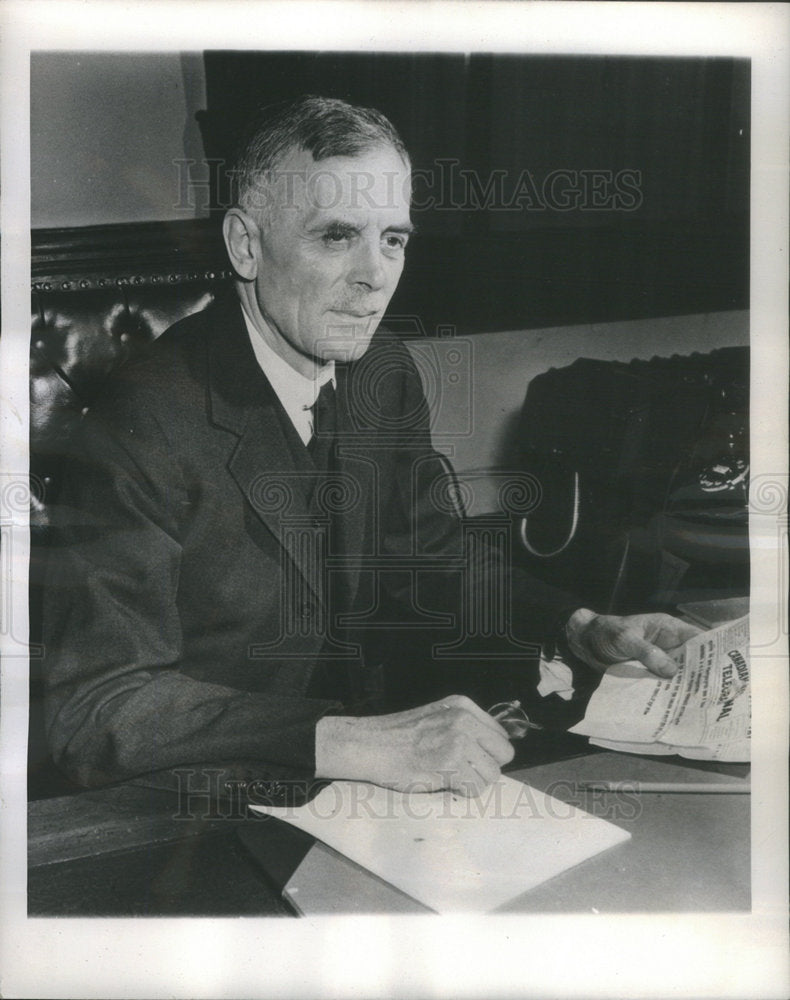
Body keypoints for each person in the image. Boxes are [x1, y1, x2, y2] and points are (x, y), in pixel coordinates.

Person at [42, 96, 698, 801]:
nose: (375, 276)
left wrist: (581, 626)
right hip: (190, 807)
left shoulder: (379, 374)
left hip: (357, 791)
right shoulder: (138, 424)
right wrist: (348, 738)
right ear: (246, 245)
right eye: (335, 237)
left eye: (393, 240)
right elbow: (96, 709)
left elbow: (434, 556)